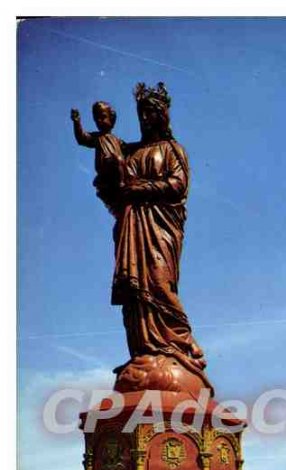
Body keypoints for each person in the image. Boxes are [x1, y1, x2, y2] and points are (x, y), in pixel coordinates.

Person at [107, 82, 209, 386]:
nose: (145, 118)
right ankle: (144, 349)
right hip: (132, 227)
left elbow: (177, 185)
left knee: (159, 282)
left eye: (151, 112)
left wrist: (141, 188)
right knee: (135, 291)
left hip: (160, 227)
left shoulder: (173, 150)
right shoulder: (132, 152)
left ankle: (183, 344)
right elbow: (112, 183)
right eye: (141, 112)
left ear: (162, 115)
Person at [71, 101, 125, 212]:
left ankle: (122, 183)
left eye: (103, 117)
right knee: (117, 160)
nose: (99, 121)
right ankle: (121, 184)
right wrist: (77, 122)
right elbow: (82, 138)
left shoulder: (117, 140)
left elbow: (128, 149)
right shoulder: (97, 137)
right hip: (105, 167)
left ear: (112, 119)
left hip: (116, 168)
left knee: (120, 161)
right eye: (96, 119)